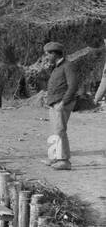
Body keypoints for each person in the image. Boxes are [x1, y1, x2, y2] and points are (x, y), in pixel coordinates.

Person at [42, 41, 79, 170]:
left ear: (54, 54)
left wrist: (63, 102)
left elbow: (73, 86)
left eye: (47, 54)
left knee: (59, 130)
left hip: (61, 103)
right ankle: (54, 158)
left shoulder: (67, 66)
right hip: (55, 103)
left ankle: (64, 160)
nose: (46, 57)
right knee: (55, 131)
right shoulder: (57, 67)